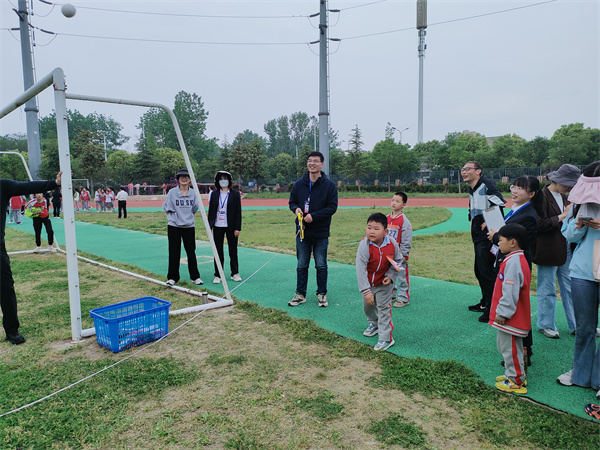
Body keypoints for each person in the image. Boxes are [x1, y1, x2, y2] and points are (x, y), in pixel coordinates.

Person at [1, 171, 62, 344]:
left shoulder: (3, 186)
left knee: (6, 288)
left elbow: (28, 186)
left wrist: (54, 183)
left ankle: (11, 330)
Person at [488, 175, 542, 363]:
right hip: (506, 260)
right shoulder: (516, 209)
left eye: (520, 188)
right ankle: (517, 351)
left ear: (531, 194)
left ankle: (523, 352)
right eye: (514, 186)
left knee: (517, 308)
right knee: (511, 304)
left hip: (516, 263)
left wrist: (496, 236)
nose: (514, 190)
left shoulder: (528, 215)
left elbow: (517, 240)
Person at [557, 161, 600, 398]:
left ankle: (598, 378)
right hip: (582, 272)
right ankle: (580, 374)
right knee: (585, 327)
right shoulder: (580, 203)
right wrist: (580, 224)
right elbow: (569, 235)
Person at [533, 164, 581, 339]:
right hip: (548, 248)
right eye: (567, 183)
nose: (569, 186)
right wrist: (563, 216)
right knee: (547, 287)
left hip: (566, 247)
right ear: (556, 179)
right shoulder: (540, 196)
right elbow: (538, 224)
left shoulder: (565, 196)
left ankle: (576, 325)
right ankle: (545, 324)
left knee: (570, 287)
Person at [288, 151, 338, 308]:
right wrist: (296, 210)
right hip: (302, 231)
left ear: (322, 164)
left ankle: (321, 294)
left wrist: (314, 216)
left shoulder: (329, 186)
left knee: (321, 264)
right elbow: (292, 202)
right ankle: (300, 294)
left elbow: (332, 207)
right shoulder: (299, 184)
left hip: (321, 232)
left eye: (315, 161)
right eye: (309, 161)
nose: (312, 163)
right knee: (302, 264)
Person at [490, 223, 531, 395]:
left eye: (501, 240)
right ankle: (513, 374)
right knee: (507, 347)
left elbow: (510, 292)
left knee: (510, 349)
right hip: (510, 317)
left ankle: (516, 381)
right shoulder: (514, 259)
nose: (498, 244)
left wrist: (503, 313)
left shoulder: (514, 262)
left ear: (513, 242)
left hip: (510, 318)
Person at [462, 161, 506, 322]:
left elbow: (500, 202)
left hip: (487, 235)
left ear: (478, 171)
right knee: (479, 271)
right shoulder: (472, 188)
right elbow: (473, 206)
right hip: (477, 234)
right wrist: (471, 217)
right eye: (463, 169)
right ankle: (485, 302)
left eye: (467, 169)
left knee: (487, 272)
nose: (464, 172)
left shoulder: (486, 184)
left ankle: (492, 308)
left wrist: (489, 219)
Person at [356, 212, 402, 351]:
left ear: (385, 231)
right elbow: (360, 269)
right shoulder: (364, 245)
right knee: (368, 307)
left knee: (383, 308)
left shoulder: (392, 244)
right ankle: (374, 324)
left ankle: (386, 338)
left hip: (384, 284)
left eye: (376, 229)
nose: (372, 231)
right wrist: (366, 290)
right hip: (369, 283)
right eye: (369, 228)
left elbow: (398, 262)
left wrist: (391, 275)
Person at [163, 169, 203, 286]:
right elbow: (167, 207)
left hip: (189, 226)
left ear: (190, 179)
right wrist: (174, 219)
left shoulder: (194, 193)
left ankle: (195, 276)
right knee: (174, 252)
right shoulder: (172, 193)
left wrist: (187, 218)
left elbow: (195, 208)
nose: (184, 178)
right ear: (178, 179)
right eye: (181, 177)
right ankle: (173, 278)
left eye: (186, 176)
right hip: (174, 226)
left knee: (191, 252)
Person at [207, 171, 242, 284]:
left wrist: (237, 228)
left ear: (229, 181)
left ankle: (235, 273)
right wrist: (209, 226)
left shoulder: (235, 194)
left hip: (231, 226)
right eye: (221, 179)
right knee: (218, 251)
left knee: (233, 250)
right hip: (218, 226)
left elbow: (238, 212)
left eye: (225, 179)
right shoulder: (214, 194)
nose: (223, 181)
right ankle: (218, 274)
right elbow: (211, 211)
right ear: (218, 181)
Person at [386, 191, 413, 308]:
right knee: (389, 275)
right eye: (393, 200)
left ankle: (403, 298)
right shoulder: (386, 218)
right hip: (388, 254)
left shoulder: (404, 221)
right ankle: (392, 294)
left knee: (402, 276)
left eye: (397, 201)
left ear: (403, 205)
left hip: (400, 255)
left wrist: (404, 254)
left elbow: (406, 239)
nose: (394, 203)